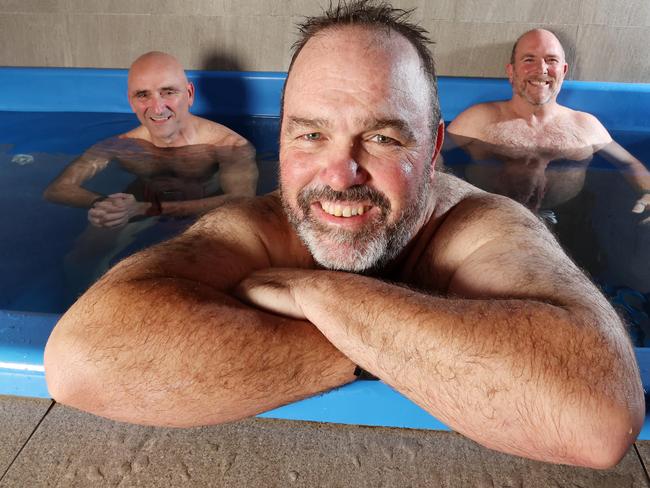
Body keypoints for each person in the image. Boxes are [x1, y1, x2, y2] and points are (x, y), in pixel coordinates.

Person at [44, 1, 643, 469]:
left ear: (433, 151)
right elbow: (77, 364)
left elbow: (601, 419)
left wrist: (315, 295)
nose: (339, 174)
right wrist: (427, 348)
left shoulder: (479, 225)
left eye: (383, 137)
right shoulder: (260, 224)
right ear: (280, 141)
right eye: (310, 135)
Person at [42, 51, 258, 295]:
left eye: (168, 92)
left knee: (218, 263)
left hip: (206, 206)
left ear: (189, 94)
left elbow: (241, 200)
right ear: (131, 101)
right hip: (139, 199)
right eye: (143, 95)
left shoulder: (227, 145)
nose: (157, 107)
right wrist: (104, 203)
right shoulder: (122, 146)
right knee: (80, 256)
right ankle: (89, 314)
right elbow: (57, 189)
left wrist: (146, 209)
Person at [446, 29, 650, 219]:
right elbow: (432, 149)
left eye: (551, 60)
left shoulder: (585, 126)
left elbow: (629, 163)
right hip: (487, 215)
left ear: (563, 70)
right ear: (511, 71)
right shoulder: (478, 119)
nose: (541, 69)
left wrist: (647, 191)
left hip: (567, 218)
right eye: (529, 60)